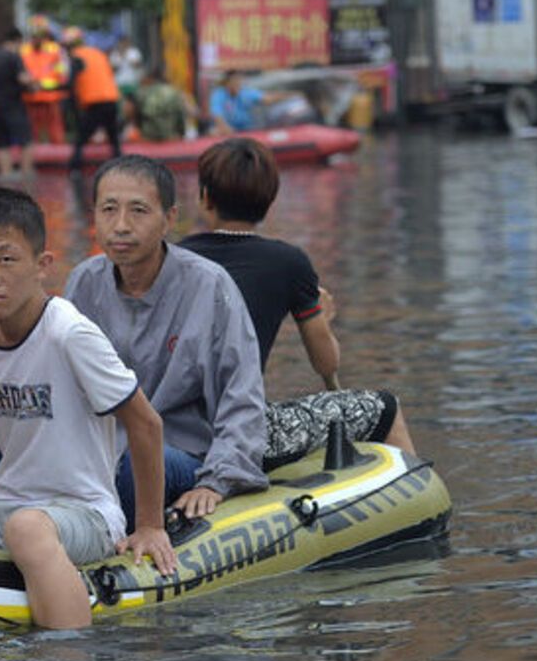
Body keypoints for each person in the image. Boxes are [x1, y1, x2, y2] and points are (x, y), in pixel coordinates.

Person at [0, 188, 174, 629]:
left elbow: (146, 424)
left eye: (6, 259)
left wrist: (149, 525)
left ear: (42, 265)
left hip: (85, 514)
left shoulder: (69, 333)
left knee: (28, 529)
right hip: (4, 507)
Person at [177, 137, 416, 467]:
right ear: (269, 201)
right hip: (244, 432)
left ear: (205, 199)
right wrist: (325, 323)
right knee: (386, 408)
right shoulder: (288, 262)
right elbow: (325, 365)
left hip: (175, 428)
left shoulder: (172, 260)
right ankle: (420, 499)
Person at [66, 155, 268, 521]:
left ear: (170, 219)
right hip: (95, 453)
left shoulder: (209, 285)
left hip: (175, 454)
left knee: (133, 467)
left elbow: (242, 396)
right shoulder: (83, 282)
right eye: (108, 209)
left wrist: (216, 481)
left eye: (139, 211)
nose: (121, 226)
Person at [62, 27, 121, 172]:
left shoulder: (77, 56)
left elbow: (71, 84)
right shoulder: (97, 53)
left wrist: (72, 109)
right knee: (114, 139)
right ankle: (120, 166)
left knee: (81, 138)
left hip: (95, 102)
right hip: (111, 100)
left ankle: (74, 169)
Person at [0, 28, 35, 175]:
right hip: (12, 104)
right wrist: (34, 81)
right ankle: (27, 177)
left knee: (2, 144)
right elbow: (23, 78)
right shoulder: (14, 56)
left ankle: (5, 178)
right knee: (25, 142)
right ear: (18, 40)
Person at [19, 15, 69, 144]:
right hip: (31, 97)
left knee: (55, 129)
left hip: (51, 96)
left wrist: (49, 85)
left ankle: (59, 155)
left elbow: (62, 73)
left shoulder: (55, 49)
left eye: (39, 34)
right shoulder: (23, 50)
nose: (36, 38)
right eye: (34, 34)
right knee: (32, 131)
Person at [132, 66, 200, 141]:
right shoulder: (175, 92)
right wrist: (182, 133)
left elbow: (136, 114)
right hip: (170, 134)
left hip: (148, 135)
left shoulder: (143, 92)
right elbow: (183, 114)